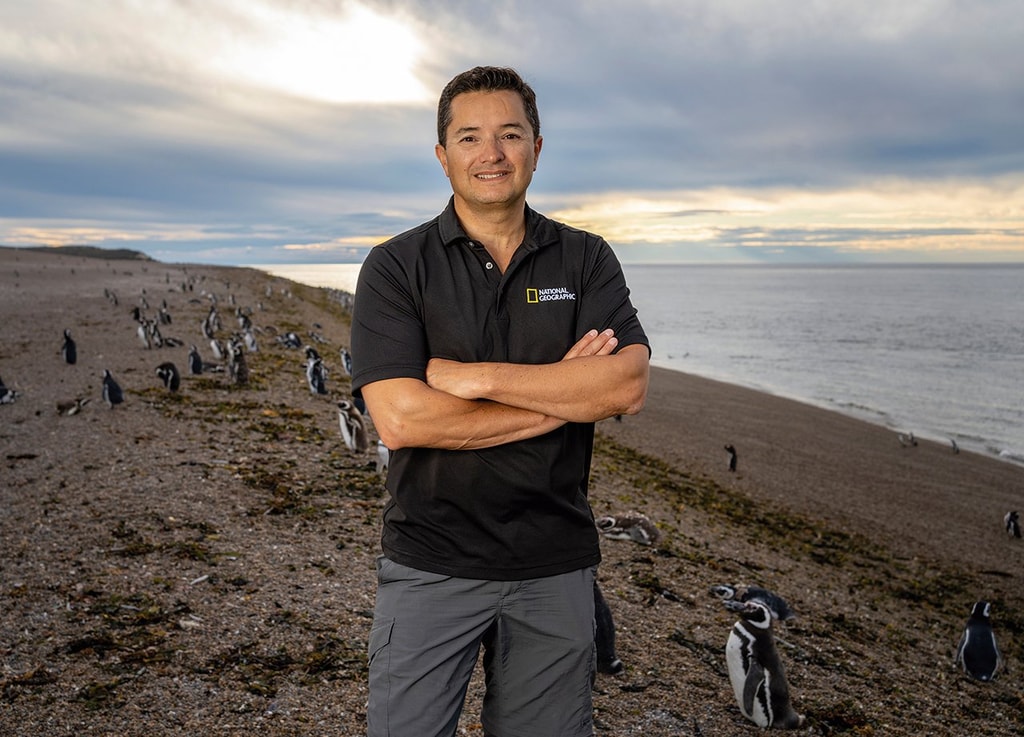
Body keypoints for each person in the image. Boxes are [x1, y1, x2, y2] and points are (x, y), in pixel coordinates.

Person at [351, 65, 650, 737]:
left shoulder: (585, 259)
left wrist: (478, 377)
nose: (491, 154)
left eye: (510, 134)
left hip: (554, 561)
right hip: (431, 559)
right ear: (442, 155)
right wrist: (565, 397)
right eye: (469, 137)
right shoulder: (396, 267)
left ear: (537, 148)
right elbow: (401, 418)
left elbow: (626, 384)